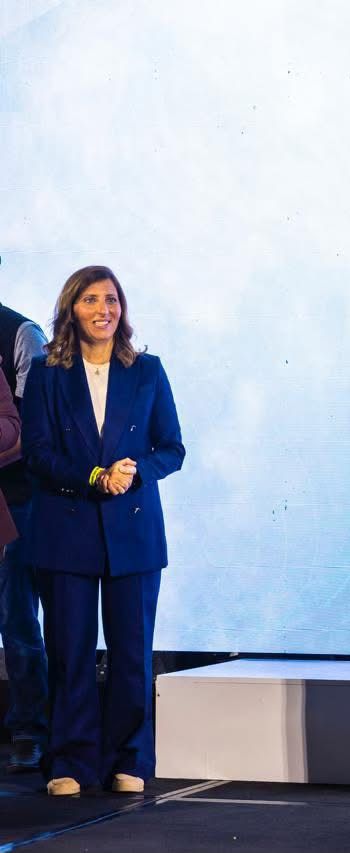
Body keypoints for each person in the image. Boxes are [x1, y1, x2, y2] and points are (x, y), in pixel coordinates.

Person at [23, 265, 184, 796]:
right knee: (70, 653)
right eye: (91, 299)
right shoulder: (47, 373)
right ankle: (69, 762)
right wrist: (94, 476)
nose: (103, 309)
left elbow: (172, 448)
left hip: (133, 532)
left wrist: (135, 471)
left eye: (111, 299)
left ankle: (130, 759)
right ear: (71, 309)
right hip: (65, 529)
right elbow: (37, 453)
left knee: (132, 654)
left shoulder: (148, 370)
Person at [0, 255, 49, 773]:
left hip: (15, 496)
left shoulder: (20, 333)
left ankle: (29, 729)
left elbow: (31, 429)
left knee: (16, 615)